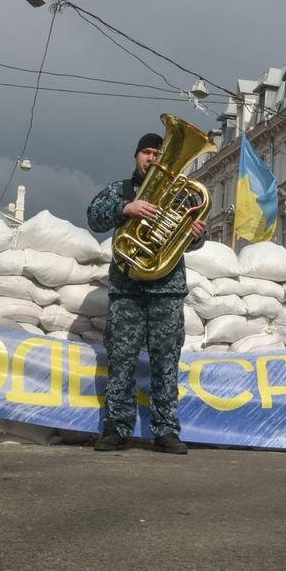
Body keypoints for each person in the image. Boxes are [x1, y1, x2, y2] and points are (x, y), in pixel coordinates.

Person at [87, 132, 206, 455]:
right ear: (136, 157)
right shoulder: (121, 190)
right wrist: (127, 208)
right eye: (146, 153)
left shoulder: (180, 194)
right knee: (121, 359)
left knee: (166, 362)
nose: (151, 158)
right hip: (127, 289)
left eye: (157, 153)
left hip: (166, 289)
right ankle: (117, 428)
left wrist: (195, 235)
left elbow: (190, 240)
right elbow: (94, 217)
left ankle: (166, 430)